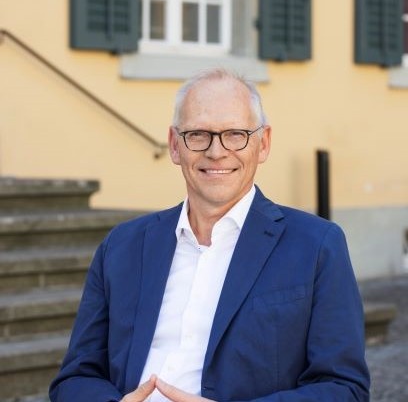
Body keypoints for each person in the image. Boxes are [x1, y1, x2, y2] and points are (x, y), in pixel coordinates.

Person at [49, 68, 370, 402]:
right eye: (198, 134)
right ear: (175, 145)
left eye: (235, 134)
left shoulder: (316, 247)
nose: (216, 151)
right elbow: (75, 378)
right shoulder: (121, 247)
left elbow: (345, 388)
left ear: (263, 144)